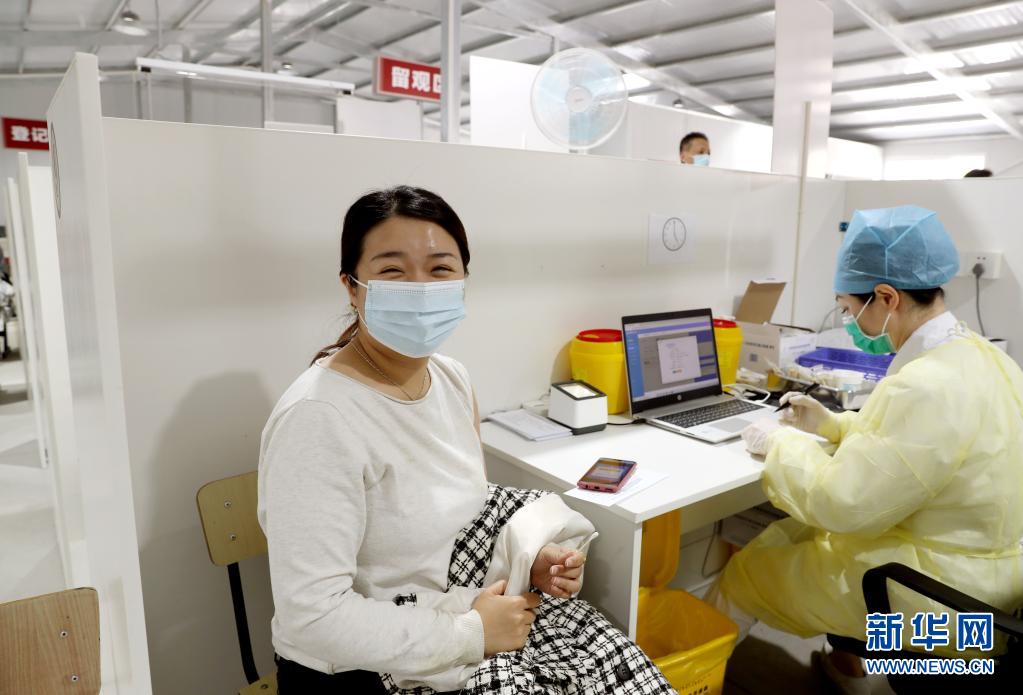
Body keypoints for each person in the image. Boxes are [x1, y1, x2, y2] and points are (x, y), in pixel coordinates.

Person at [258, 186, 673, 694]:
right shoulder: (318, 417)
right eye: (392, 270)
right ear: (352, 287)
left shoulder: (450, 379)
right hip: (359, 667)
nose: (420, 287)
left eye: (439, 269)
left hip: (457, 616)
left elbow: (460, 515)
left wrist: (531, 559)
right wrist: (470, 633)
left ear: (462, 282)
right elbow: (312, 617)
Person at [710, 205, 1023, 692]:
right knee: (792, 536)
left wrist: (779, 442)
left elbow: (843, 503)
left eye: (848, 308)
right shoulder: (986, 358)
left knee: (748, 572)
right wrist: (834, 425)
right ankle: (848, 673)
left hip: (941, 614)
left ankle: (685, 680)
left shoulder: (926, 384)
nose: (849, 320)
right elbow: (921, 452)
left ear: (887, 297)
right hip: (992, 591)